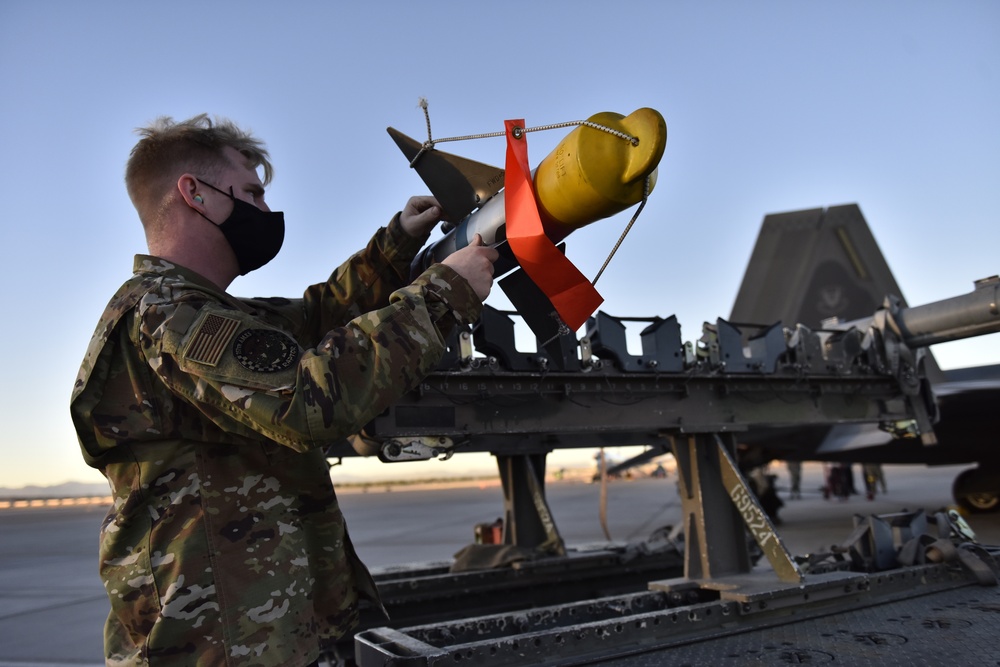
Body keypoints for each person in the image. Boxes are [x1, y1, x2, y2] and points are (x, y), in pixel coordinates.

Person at [70, 114, 499, 666]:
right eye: (251, 192)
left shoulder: (206, 310)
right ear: (194, 193)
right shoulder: (167, 313)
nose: (266, 212)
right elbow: (306, 399)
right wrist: (443, 295)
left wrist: (394, 246)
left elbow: (315, 319)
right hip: (220, 646)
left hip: (264, 635)